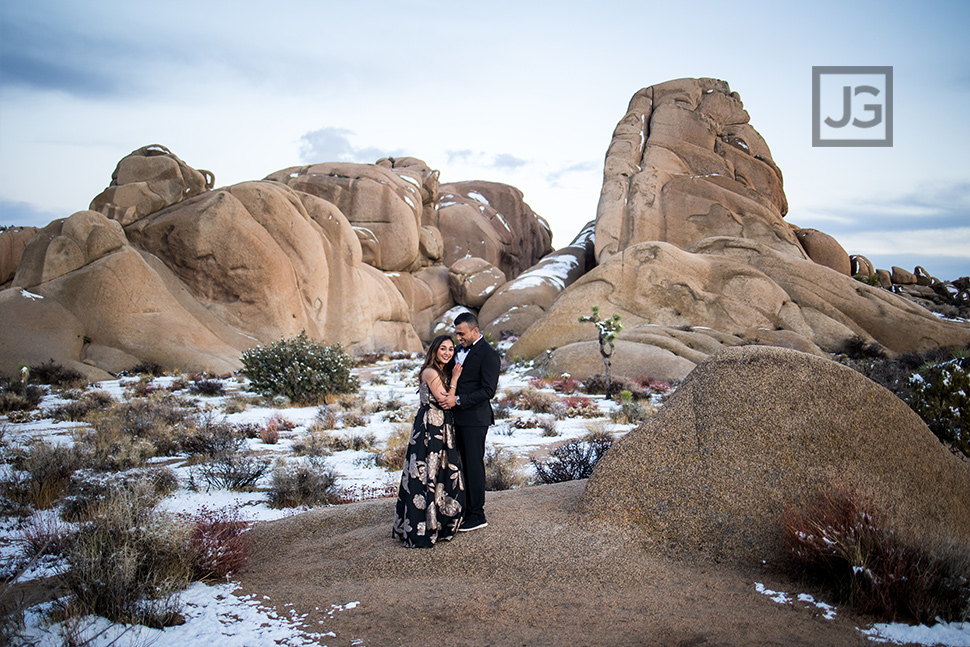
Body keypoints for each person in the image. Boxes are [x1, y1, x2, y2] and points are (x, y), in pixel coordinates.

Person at [392, 335, 466, 548]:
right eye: (443, 348)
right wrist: (454, 380)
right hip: (430, 426)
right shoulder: (431, 372)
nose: (447, 352)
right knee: (427, 471)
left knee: (439, 470)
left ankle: (439, 520)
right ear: (434, 350)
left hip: (439, 425)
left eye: (451, 349)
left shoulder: (438, 371)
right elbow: (444, 401)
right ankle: (424, 525)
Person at [441, 312, 500, 532]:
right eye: (456, 334)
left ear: (475, 331)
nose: (458, 338)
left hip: (475, 420)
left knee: (474, 465)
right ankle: (463, 509)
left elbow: (488, 391)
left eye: (461, 334)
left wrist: (457, 400)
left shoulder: (489, 355)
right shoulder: (456, 351)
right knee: (459, 465)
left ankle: (477, 514)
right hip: (454, 419)